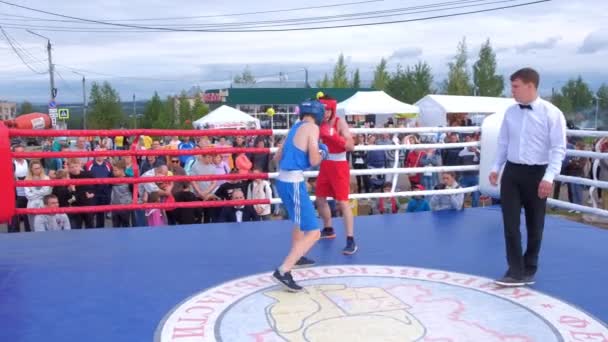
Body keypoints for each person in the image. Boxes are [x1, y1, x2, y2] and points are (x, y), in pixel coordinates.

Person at [489, 67, 567, 287]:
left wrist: (549, 178)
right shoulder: (510, 112)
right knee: (510, 224)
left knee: (535, 225)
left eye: (515, 86)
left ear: (530, 86)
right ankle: (515, 271)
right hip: (512, 172)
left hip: (538, 173)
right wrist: (496, 167)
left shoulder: (552, 113)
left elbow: (558, 148)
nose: (512, 91)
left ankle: (529, 268)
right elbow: (503, 143)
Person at [272, 99, 328, 292]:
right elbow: (314, 159)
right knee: (314, 232)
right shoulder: (312, 128)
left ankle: (299, 255)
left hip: (282, 180)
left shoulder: (294, 127)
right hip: (293, 182)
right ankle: (284, 270)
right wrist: (322, 153)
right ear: (319, 114)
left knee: (298, 221)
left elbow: (276, 158)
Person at [315, 93, 357, 254]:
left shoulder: (340, 123)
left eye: (327, 110)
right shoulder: (318, 124)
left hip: (339, 165)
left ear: (332, 109)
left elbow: (351, 146)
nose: (325, 113)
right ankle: (328, 228)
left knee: (343, 202)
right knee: (320, 198)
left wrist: (334, 137)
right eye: (322, 110)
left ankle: (351, 240)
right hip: (325, 163)